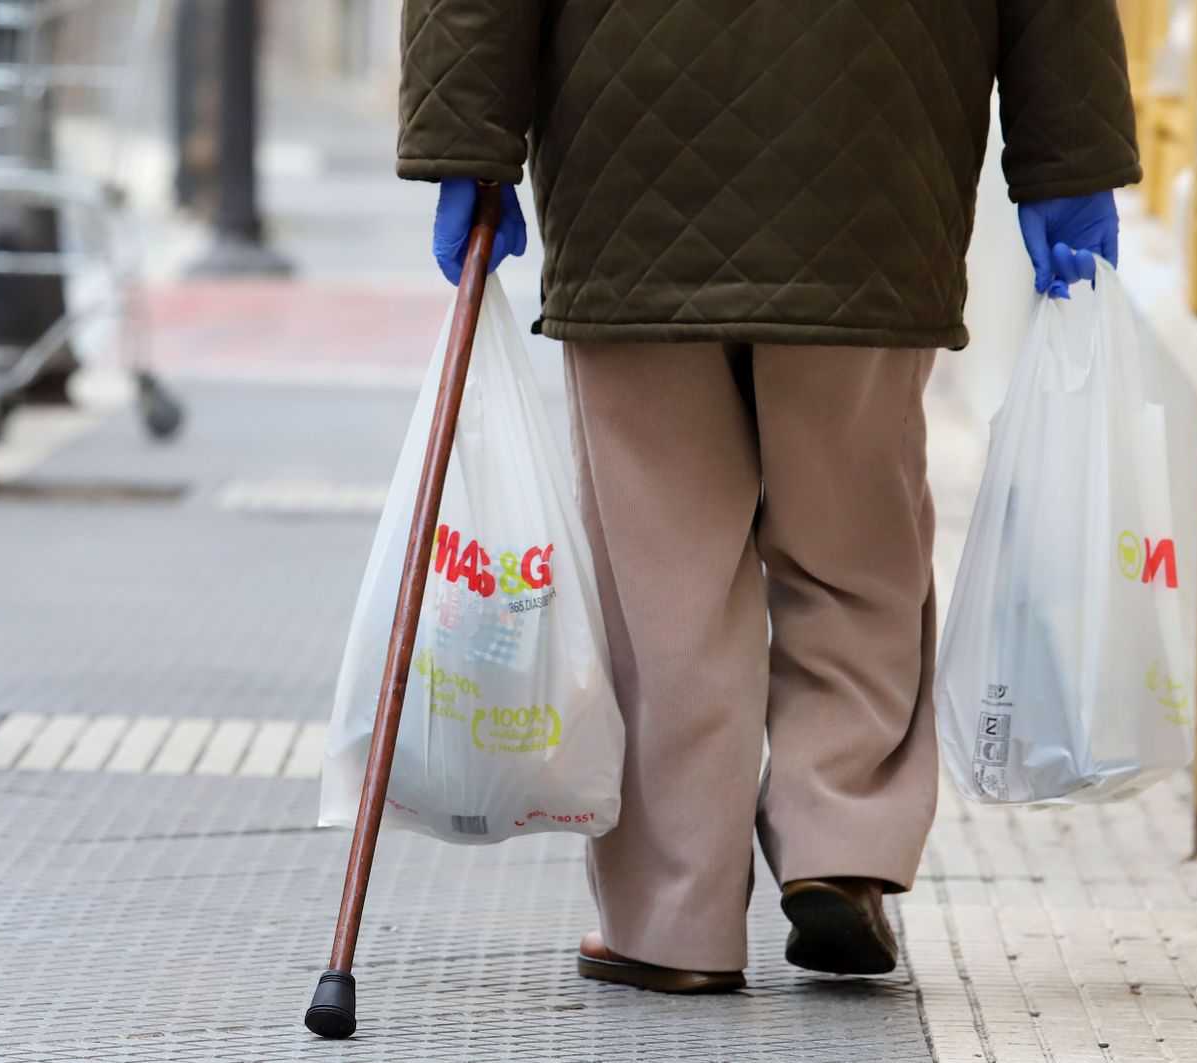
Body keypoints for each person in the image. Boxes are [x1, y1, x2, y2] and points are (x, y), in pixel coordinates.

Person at [397, 0, 1140, 992]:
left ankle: (674, 916)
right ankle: (841, 842)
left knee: (663, 574)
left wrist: (464, 139)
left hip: (632, 149)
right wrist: (1070, 159)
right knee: (855, 539)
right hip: (877, 142)